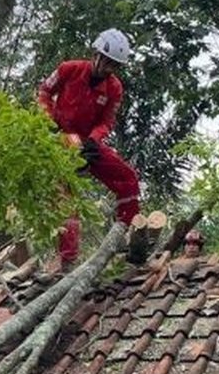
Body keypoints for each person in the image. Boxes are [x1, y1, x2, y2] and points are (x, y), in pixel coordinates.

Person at [37, 28, 141, 268]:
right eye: (106, 62)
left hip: (88, 142)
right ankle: (68, 259)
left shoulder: (114, 88)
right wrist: (48, 121)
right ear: (96, 55)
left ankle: (126, 234)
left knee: (127, 178)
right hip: (58, 139)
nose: (108, 69)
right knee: (65, 199)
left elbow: (106, 121)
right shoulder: (68, 69)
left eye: (114, 65)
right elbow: (44, 92)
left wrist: (94, 140)